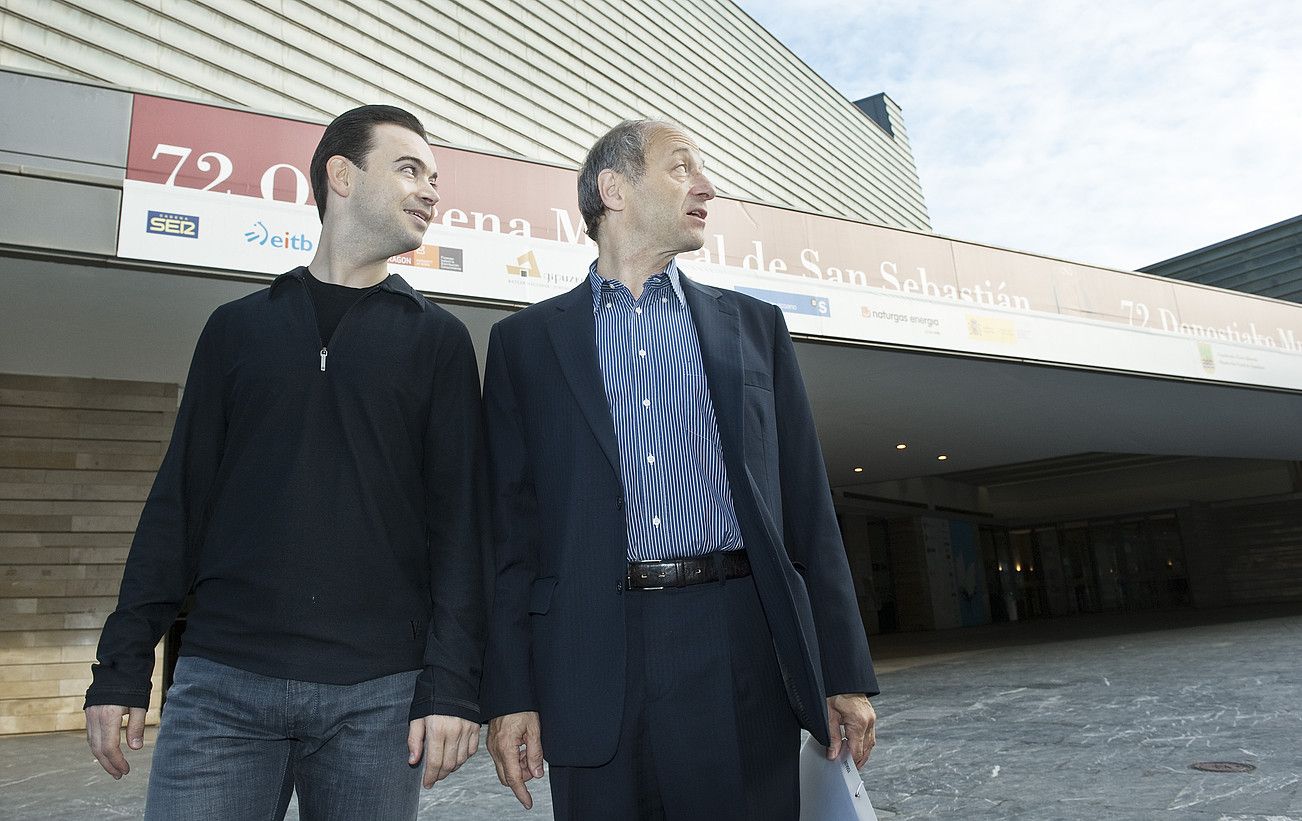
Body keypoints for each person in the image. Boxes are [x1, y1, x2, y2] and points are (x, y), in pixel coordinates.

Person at [83, 104, 485, 820]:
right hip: (221, 687)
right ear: (341, 174)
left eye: (435, 177)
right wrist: (121, 665)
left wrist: (452, 683)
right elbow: (179, 502)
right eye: (409, 169)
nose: (431, 189)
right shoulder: (237, 329)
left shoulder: (441, 344)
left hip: (379, 697)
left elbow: (460, 529)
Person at [481, 119, 879, 820]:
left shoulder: (754, 328)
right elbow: (509, 538)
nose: (707, 187)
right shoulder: (523, 345)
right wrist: (510, 693)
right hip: (589, 653)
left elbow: (809, 509)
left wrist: (843, 672)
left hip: (736, 644)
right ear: (614, 190)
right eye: (681, 168)